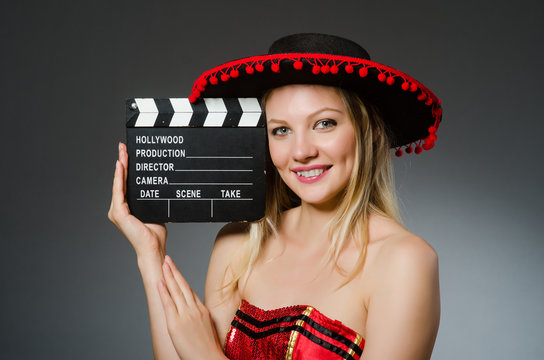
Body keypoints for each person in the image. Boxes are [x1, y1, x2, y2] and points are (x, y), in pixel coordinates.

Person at [109, 33, 442, 360]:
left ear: (371, 132)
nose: (301, 151)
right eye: (281, 130)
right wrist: (150, 254)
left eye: (324, 123)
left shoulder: (403, 261)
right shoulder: (238, 244)